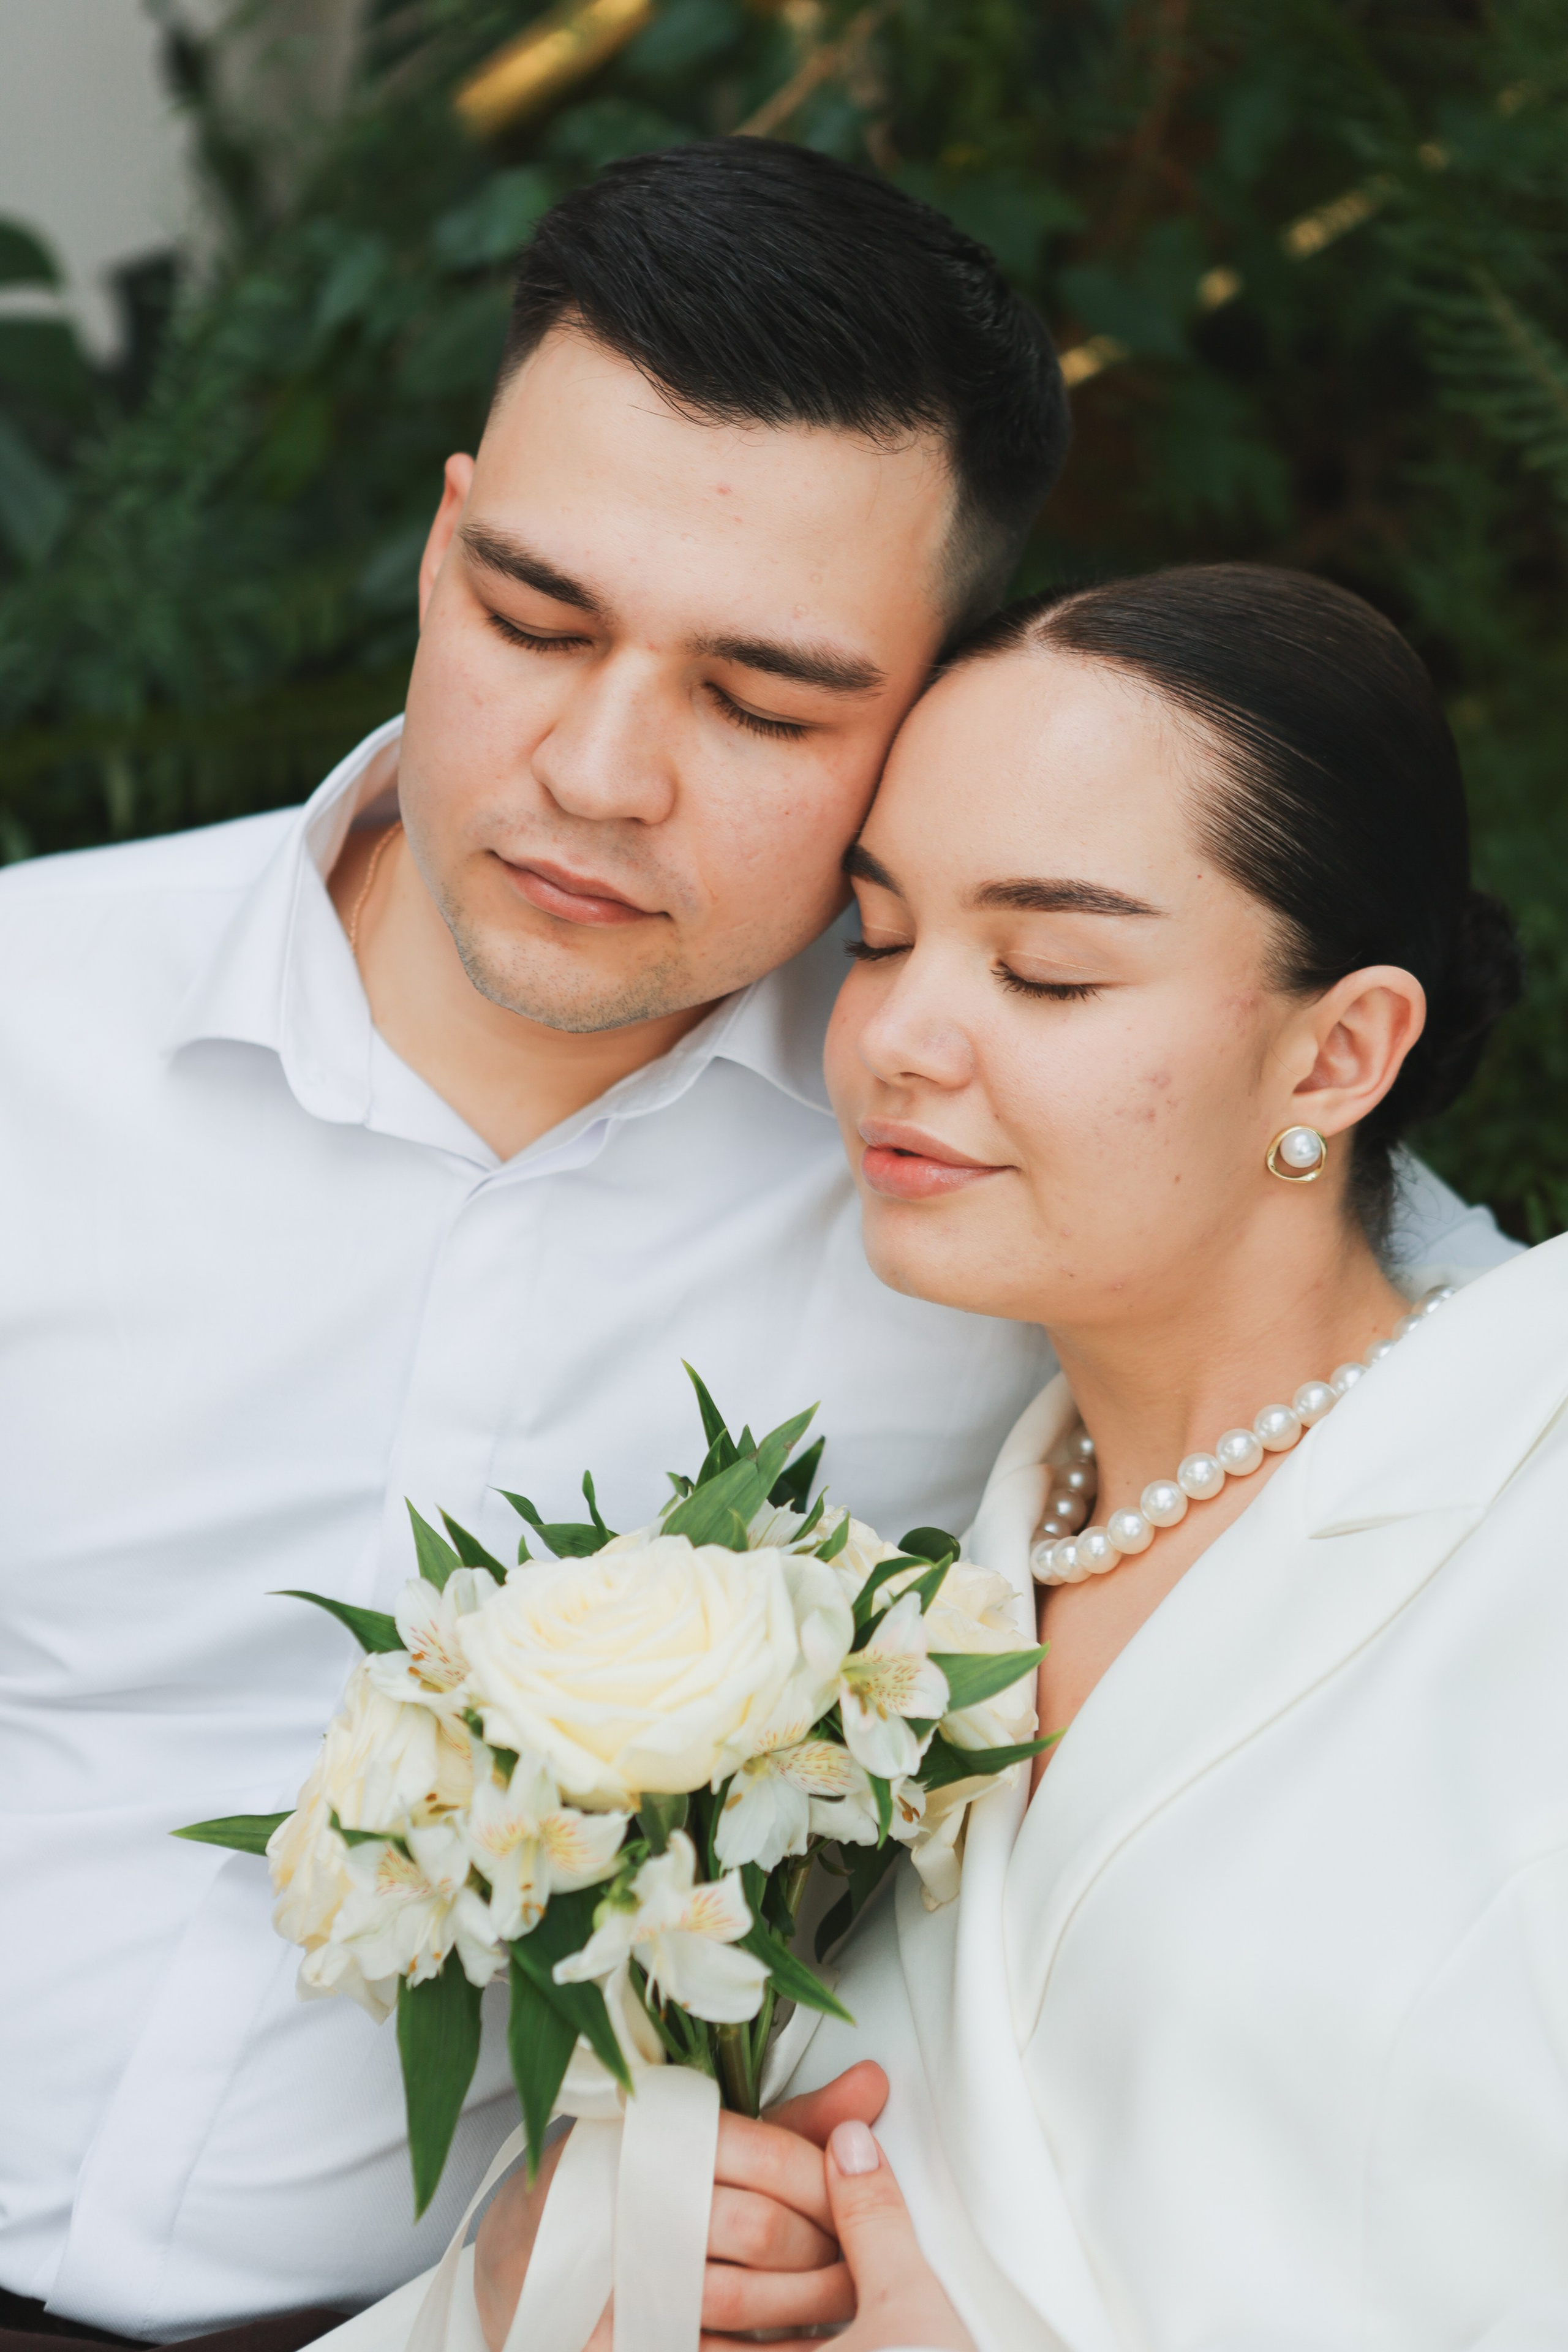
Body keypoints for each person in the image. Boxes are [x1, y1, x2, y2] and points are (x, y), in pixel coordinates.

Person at [0, 135, 1506, 2349]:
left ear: (930, 710)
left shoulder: (991, 1156)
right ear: (440, 545)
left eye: (765, 699)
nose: (598, 772)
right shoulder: (29, 1031)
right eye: (531, 618)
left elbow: (1409, 1372)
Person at [470, 564, 1564, 2352]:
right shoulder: (882, 1605)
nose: (896, 1037)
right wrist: (550, 2278)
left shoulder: (1527, 1523)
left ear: (1340, 1050)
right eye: (883, 937)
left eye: (1047, 971)